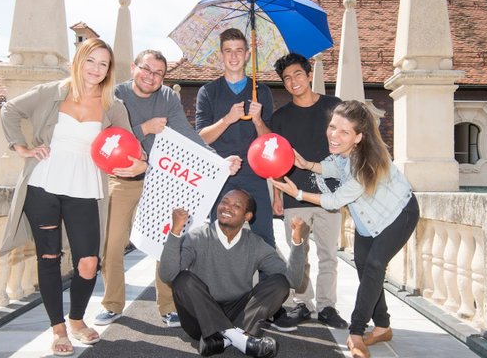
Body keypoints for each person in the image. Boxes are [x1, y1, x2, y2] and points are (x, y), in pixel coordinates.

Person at [0, 38, 147, 356]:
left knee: (89, 262)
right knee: (49, 258)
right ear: (78, 61)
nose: (96, 69)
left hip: (86, 188)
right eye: (90, 61)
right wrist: (20, 147)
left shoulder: (113, 106)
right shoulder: (52, 92)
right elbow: (10, 110)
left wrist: (138, 165)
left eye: (103, 64)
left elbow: (135, 149)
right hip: (43, 186)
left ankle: (77, 320)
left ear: (109, 71)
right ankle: (58, 329)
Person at [94, 49, 241, 328]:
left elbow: (186, 134)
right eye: (146, 69)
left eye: (159, 73)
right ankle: (112, 304)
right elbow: (106, 137)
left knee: (164, 245)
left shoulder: (168, 97)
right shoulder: (114, 95)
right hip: (123, 179)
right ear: (133, 68)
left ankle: (168, 306)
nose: (151, 77)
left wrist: (218, 161)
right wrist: (145, 129)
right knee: (112, 244)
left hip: (160, 179)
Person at [271, 100, 420, 358]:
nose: (334, 135)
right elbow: (333, 167)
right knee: (365, 270)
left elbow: (335, 201)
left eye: (344, 132)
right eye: (332, 127)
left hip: (399, 215)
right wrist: (308, 165)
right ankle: (383, 325)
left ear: (359, 137)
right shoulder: (344, 154)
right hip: (368, 222)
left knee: (374, 266)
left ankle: (356, 332)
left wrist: (299, 193)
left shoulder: (366, 165)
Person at [159, 189, 306, 357]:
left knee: (279, 283)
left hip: (238, 313)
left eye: (236, 205)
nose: (227, 207)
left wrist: (296, 241)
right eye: (224, 202)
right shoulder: (197, 237)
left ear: (247, 216)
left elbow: (292, 280)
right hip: (199, 316)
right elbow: (168, 275)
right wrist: (175, 231)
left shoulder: (255, 244)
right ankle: (240, 339)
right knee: (182, 279)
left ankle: (222, 339)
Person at [269, 53, 347, 332]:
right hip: (293, 194)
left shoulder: (334, 107)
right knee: (298, 254)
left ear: (308, 74)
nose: (293, 81)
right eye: (287, 78)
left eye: (297, 75)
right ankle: (303, 303)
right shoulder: (280, 118)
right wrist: (277, 195)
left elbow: (348, 146)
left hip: (330, 195)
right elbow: (276, 158)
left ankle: (327, 306)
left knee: (329, 254)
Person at [195, 28, 275, 248]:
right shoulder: (208, 92)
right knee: (219, 239)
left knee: (264, 239)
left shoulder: (262, 91)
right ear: (221, 55)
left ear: (248, 54)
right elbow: (202, 137)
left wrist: (258, 121)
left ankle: (268, 283)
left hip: (254, 174)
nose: (233, 56)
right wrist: (227, 119)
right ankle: (219, 283)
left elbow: (270, 142)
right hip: (220, 173)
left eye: (239, 50)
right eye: (228, 51)